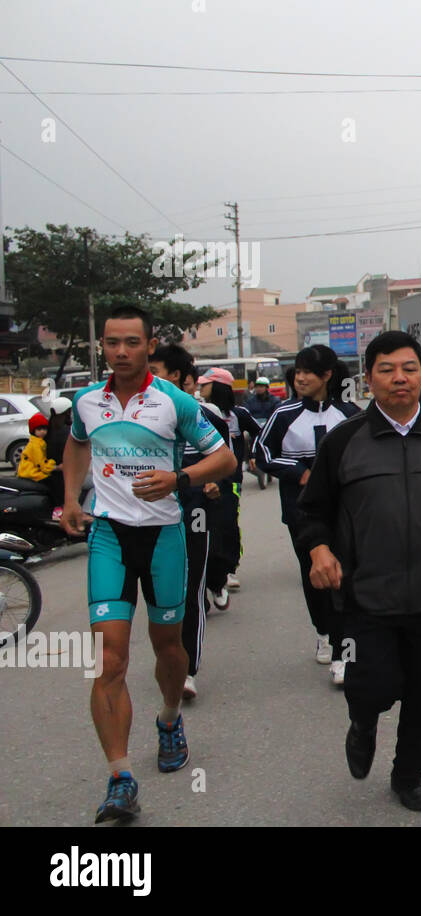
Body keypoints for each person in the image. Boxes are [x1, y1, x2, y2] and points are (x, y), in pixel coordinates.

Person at [295, 330, 421, 811]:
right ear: (368, 379)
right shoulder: (345, 441)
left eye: (408, 368)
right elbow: (311, 511)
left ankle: (408, 775)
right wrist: (319, 549)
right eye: (386, 370)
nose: (399, 378)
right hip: (366, 597)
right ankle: (363, 724)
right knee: (371, 686)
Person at [60, 305, 236, 823]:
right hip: (110, 537)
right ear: (103, 346)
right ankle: (119, 777)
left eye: (131, 342)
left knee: (169, 649)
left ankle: (169, 717)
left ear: (148, 344)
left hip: (163, 537)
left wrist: (178, 480)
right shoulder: (87, 401)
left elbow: (224, 459)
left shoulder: (173, 402)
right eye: (111, 342)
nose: (120, 351)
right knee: (109, 660)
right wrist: (72, 498)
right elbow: (76, 444)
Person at [253, 346, 362, 686]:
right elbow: (262, 453)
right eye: (297, 371)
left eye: (308, 372)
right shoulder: (283, 414)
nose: (300, 377)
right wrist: (300, 472)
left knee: (343, 576)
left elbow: (366, 452)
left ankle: (345, 653)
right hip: (300, 511)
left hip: (344, 512)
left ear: (327, 376)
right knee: (314, 576)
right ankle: (324, 632)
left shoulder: (349, 414)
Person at [149, 345, 232, 702]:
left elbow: (227, 460)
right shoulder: (139, 416)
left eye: (157, 371)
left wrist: (216, 484)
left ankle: (188, 671)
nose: (148, 378)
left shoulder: (206, 416)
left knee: (190, 590)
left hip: (193, 511)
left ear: (181, 379)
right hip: (149, 518)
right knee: (161, 596)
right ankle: (168, 660)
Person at [197, 368, 260, 600]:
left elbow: (260, 433)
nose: (200, 388)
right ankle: (206, 574)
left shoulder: (239, 414)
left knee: (227, 524)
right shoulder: (196, 411)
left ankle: (229, 569)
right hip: (203, 480)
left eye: (206, 384)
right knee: (205, 527)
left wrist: (252, 454)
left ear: (219, 386)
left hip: (231, 481)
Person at [243, 377, 281, 489]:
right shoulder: (250, 401)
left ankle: (276, 458)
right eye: (257, 386)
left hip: (269, 428)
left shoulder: (275, 400)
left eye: (261, 386)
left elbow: (277, 414)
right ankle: (247, 460)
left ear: (266, 388)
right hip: (254, 428)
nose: (259, 388)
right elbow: (246, 413)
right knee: (244, 437)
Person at [18, 412, 64, 502]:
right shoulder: (36, 445)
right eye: (39, 429)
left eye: (44, 429)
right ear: (33, 430)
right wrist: (56, 467)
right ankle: (56, 506)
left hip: (31, 472)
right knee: (54, 484)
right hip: (31, 473)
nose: (42, 431)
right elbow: (41, 464)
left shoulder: (38, 442)